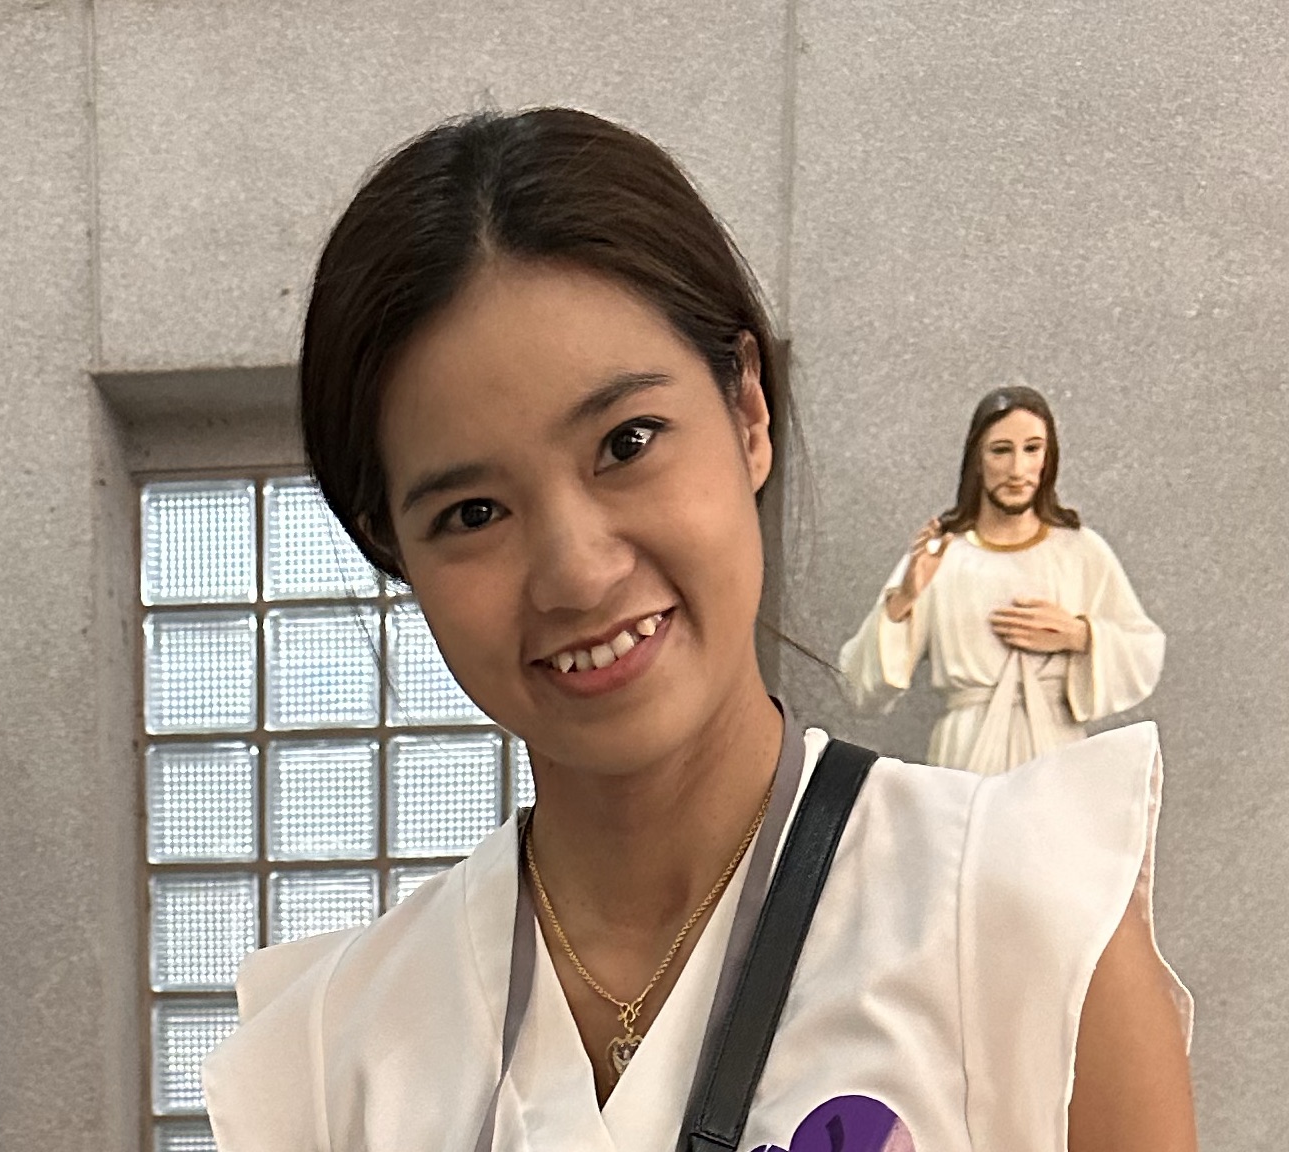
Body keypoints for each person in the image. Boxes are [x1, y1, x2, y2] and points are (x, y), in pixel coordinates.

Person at [202, 109, 1194, 1152]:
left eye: (628, 442)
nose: (577, 573)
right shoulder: (334, 1056)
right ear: (394, 549)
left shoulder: (1023, 921)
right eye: (473, 512)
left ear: (749, 411)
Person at [838, 387, 1165, 775]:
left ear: (1048, 458)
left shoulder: (1080, 551)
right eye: (1001, 450)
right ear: (977, 459)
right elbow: (859, 686)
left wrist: (1080, 636)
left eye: (1032, 449)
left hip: (1055, 751)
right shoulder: (944, 556)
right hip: (966, 752)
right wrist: (904, 600)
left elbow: (1143, 649)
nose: (1017, 469)